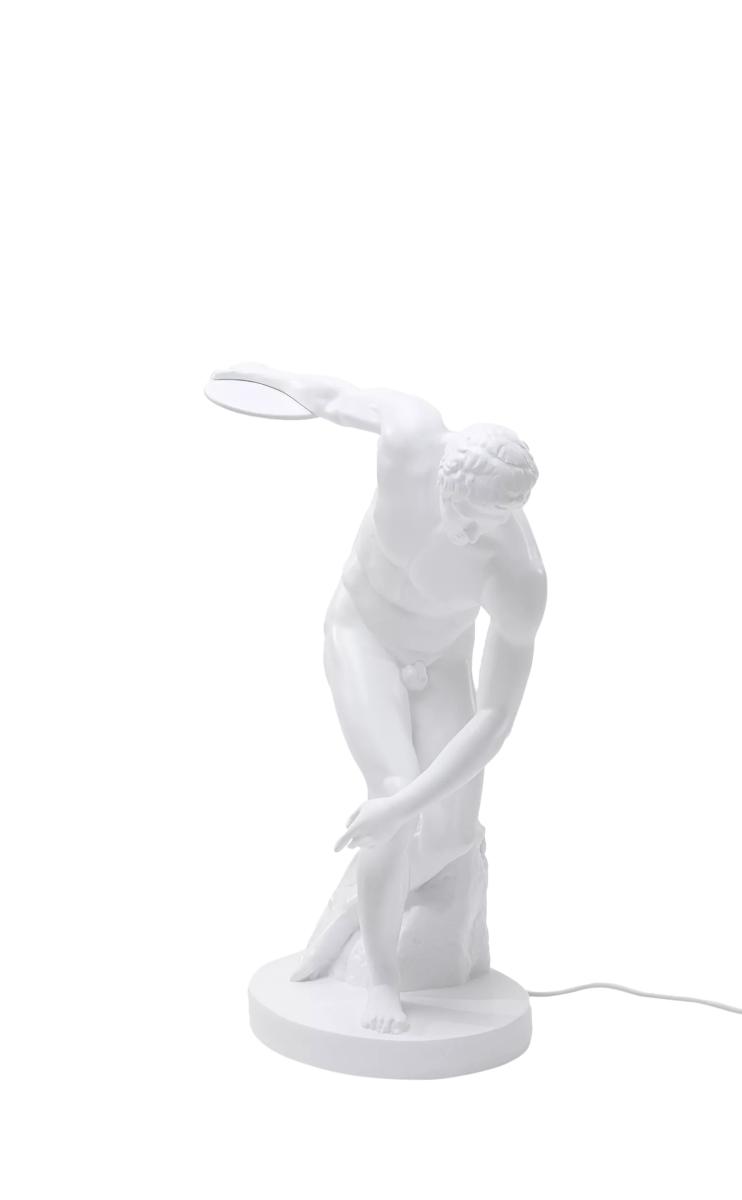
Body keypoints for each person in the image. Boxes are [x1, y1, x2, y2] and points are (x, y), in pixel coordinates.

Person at [213, 364, 546, 1034]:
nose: (475, 537)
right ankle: (384, 979)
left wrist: (405, 807)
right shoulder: (410, 438)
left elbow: (495, 719)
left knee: (449, 834)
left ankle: (350, 915)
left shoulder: (518, 577)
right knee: (392, 786)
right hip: (362, 633)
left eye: (494, 525)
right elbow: (331, 397)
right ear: (442, 478)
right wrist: (263, 384)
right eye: (467, 519)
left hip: (442, 659)